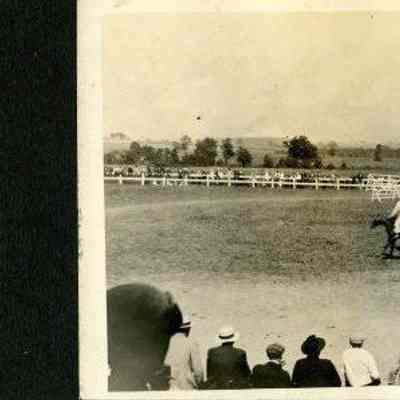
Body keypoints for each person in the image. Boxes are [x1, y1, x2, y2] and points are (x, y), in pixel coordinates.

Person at [164, 315, 204, 390]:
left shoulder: (167, 342)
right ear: (187, 329)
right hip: (186, 386)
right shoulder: (191, 343)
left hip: (170, 387)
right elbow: (198, 370)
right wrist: (199, 383)